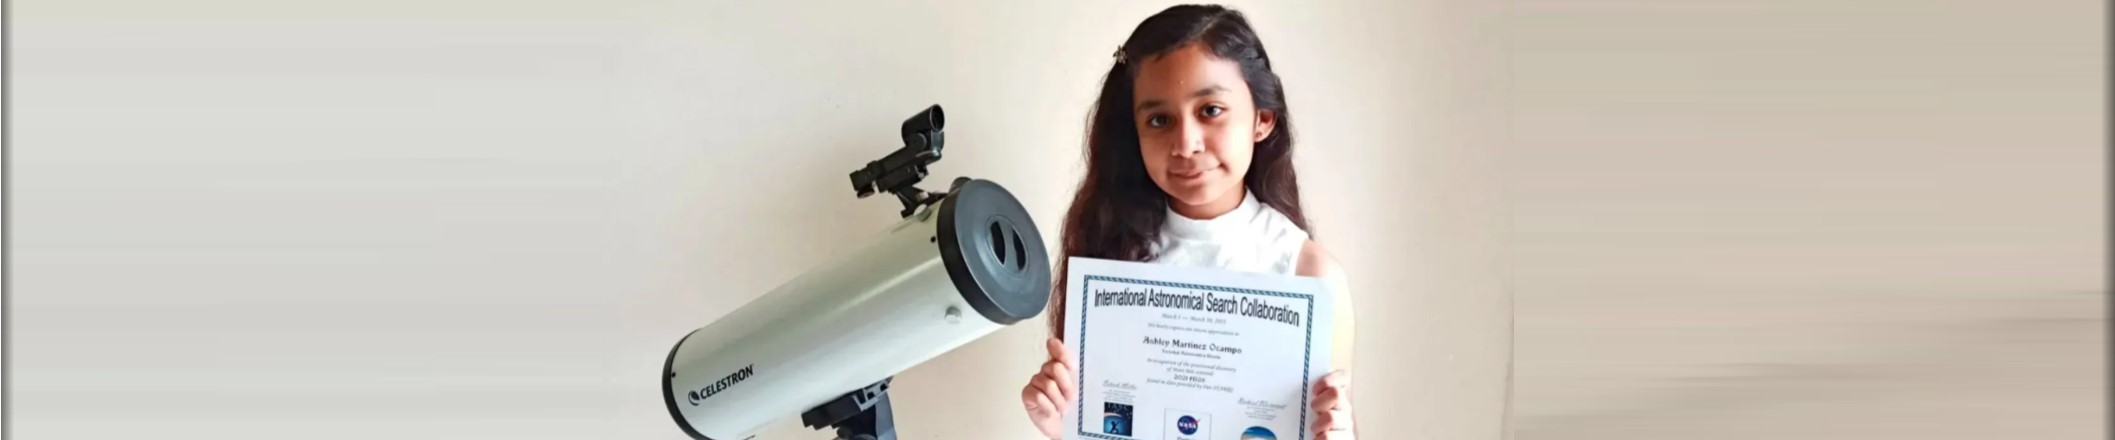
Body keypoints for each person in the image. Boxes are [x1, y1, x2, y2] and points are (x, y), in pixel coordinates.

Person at [1019, 4, 1359, 440]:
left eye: (1211, 110)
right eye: (1159, 120)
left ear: (1263, 118)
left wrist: (1339, 433)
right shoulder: (1109, 258)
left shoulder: (1311, 276)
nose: (1185, 143)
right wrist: (1060, 424)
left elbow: (1337, 422)